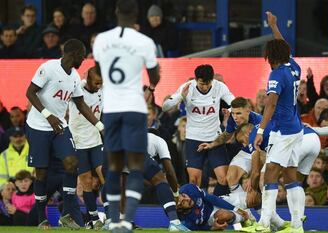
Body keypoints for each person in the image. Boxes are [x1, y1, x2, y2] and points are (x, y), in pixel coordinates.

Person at [92, 0, 161, 232]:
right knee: (135, 167)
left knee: (113, 167)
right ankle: (127, 221)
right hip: (134, 109)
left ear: (115, 12)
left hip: (111, 109)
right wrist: (150, 85)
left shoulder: (101, 40)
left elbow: (100, 70)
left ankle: (113, 221)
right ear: (137, 15)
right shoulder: (145, 42)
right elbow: (155, 76)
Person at [25, 38, 103, 229]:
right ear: (73, 53)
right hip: (38, 126)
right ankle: (41, 218)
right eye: (83, 54)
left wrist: (101, 126)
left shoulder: (75, 77)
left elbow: (81, 104)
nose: (84, 58)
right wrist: (47, 115)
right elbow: (30, 92)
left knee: (71, 163)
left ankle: (67, 213)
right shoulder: (49, 68)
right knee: (41, 174)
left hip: (60, 127)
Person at [252, 11, 304, 233]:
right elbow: (285, 47)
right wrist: (274, 26)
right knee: (291, 175)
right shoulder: (293, 67)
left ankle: (263, 224)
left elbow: (270, 105)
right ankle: (297, 225)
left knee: (271, 173)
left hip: (282, 131)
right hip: (296, 129)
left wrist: (261, 130)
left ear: (269, 57)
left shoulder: (275, 75)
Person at [162, 64, 234, 196]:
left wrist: (229, 111)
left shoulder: (220, 87)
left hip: (215, 138)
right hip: (194, 138)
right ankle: (197, 212)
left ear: (212, 80)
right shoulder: (187, 88)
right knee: (194, 181)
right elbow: (165, 107)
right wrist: (180, 97)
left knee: (224, 179)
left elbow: (234, 103)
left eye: (207, 84)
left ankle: (217, 206)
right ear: (196, 80)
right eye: (201, 84)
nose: (205, 87)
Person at [198, 97, 262, 193]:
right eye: (233, 113)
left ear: (248, 110)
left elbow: (263, 152)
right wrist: (211, 145)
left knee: (261, 181)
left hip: (263, 152)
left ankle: (264, 206)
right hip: (247, 151)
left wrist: (252, 176)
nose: (235, 117)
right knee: (231, 177)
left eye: (238, 113)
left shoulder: (261, 122)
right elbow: (226, 135)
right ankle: (242, 205)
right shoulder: (233, 119)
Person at [68, 66, 104, 230]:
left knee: (106, 177)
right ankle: (93, 218)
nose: (99, 86)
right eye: (96, 82)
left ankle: (112, 217)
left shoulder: (104, 89)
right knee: (86, 182)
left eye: (101, 83)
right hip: (78, 142)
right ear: (87, 79)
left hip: (96, 141)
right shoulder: (76, 89)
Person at [176, 183, 251, 231]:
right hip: (211, 217)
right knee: (223, 215)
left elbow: (212, 198)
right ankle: (246, 220)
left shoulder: (188, 189)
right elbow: (198, 229)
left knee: (251, 199)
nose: (188, 199)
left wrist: (236, 209)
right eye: (183, 202)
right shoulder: (185, 220)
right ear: (180, 209)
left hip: (215, 203)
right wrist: (212, 228)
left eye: (184, 196)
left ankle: (243, 219)